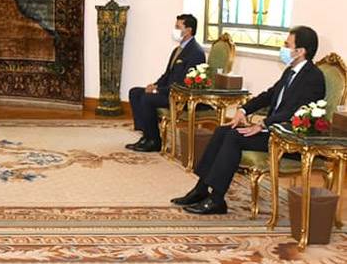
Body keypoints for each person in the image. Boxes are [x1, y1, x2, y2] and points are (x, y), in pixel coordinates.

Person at [172, 26, 326, 215]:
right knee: (222, 131)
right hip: (272, 130)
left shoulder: (313, 77)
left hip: (288, 138)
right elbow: (269, 95)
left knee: (234, 137)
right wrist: (243, 110)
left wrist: (262, 124)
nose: (283, 48)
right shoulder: (290, 71)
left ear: (300, 51)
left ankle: (217, 199)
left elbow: (295, 112)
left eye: (287, 45)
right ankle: (201, 189)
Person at [126, 14, 206, 152]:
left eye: (178, 27)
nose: (175, 30)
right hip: (166, 90)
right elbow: (167, 74)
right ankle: (146, 135)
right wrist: (155, 85)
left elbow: (185, 83)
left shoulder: (196, 52)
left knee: (147, 99)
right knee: (135, 92)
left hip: (178, 96)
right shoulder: (178, 50)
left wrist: (158, 91)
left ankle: (154, 141)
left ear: (188, 30)